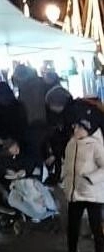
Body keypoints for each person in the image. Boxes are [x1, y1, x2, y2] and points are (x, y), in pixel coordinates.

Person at [62, 108, 104, 252]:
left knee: (96, 228)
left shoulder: (95, 145)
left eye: (79, 127)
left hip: (92, 194)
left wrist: (90, 179)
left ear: (87, 129)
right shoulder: (71, 144)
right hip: (75, 193)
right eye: (75, 126)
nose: (75, 129)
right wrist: (64, 180)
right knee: (72, 228)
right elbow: (66, 164)